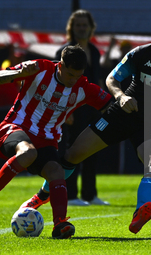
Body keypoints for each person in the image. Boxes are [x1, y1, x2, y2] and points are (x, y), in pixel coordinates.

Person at [22, 23, 151, 233]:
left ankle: (140, 212)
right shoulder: (141, 53)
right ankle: (41, 196)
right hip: (123, 112)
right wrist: (121, 96)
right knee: (73, 155)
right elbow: (112, 79)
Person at [0, 45, 112, 239]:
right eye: (70, 74)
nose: (73, 80)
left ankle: (60, 224)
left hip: (47, 139)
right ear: (60, 65)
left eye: (77, 75)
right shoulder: (39, 68)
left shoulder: (83, 87)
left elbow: (110, 106)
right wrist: (18, 73)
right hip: (15, 127)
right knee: (28, 153)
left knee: (56, 171)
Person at [54, 9, 108, 206]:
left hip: (92, 108)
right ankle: (71, 195)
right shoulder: (64, 52)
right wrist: (63, 111)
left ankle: (90, 195)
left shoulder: (94, 50)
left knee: (92, 148)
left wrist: (104, 106)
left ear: (91, 27)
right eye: (78, 25)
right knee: (72, 151)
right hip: (72, 109)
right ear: (72, 28)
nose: (82, 28)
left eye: (85, 25)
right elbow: (58, 85)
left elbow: (97, 80)